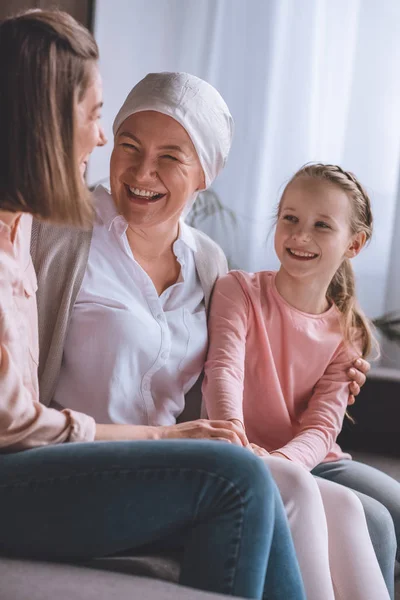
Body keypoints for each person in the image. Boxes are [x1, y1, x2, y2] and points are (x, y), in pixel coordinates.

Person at [0, 11, 307, 600]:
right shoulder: (45, 232)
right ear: (44, 120)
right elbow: (16, 422)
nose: (100, 137)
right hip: (23, 469)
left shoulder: (20, 226)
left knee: (300, 493)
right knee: (238, 483)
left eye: (170, 156)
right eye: (95, 117)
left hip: (52, 462)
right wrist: (164, 443)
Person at [32, 72, 372, 597]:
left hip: (173, 457)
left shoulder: (206, 260)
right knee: (292, 490)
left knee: (349, 506)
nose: (144, 169)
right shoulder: (62, 235)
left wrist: (330, 362)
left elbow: (235, 360)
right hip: (84, 454)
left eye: (171, 156)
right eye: (129, 145)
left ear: (204, 174)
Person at [203, 162, 399, 599]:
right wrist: (235, 440)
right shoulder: (240, 292)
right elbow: (224, 373)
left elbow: (321, 428)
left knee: (392, 512)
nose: (300, 235)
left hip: (314, 457)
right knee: (373, 521)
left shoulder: (348, 331)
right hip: (241, 445)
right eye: (290, 218)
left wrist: (287, 463)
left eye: (321, 225)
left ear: (355, 244)